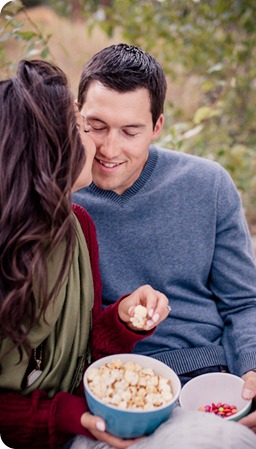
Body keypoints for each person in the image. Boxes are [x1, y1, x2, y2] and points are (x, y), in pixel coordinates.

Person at [73, 43, 256, 439]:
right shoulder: (58, 197)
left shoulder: (207, 185)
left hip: (220, 369)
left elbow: (244, 302)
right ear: (77, 117)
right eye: (96, 126)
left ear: (157, 126)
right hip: (122, 385)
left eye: (130, 131)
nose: (109, 149)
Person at [0, 59, 171, 449]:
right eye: (85, 128)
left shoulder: (79, 226)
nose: (100, 146)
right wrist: (71, 416)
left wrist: (124, 319)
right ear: (46, 148)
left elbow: (86, 352)